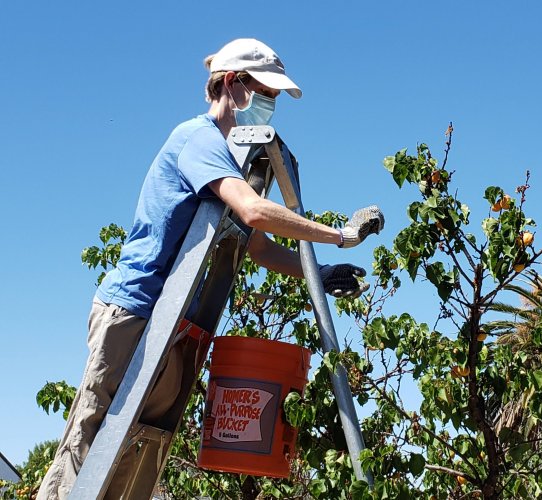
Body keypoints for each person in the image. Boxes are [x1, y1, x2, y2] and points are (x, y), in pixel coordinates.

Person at [38, 38, 384, 499]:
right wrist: (341, 234)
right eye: (265, 92)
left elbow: (256, 246)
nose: (270, 105)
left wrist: (316, 273)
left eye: (275, 98)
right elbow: (255, 212)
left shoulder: (229, 160)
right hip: (133, 311)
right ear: (228, 84)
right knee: (89, 451)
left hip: (169, 324)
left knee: (141, 451)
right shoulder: (198, 139)